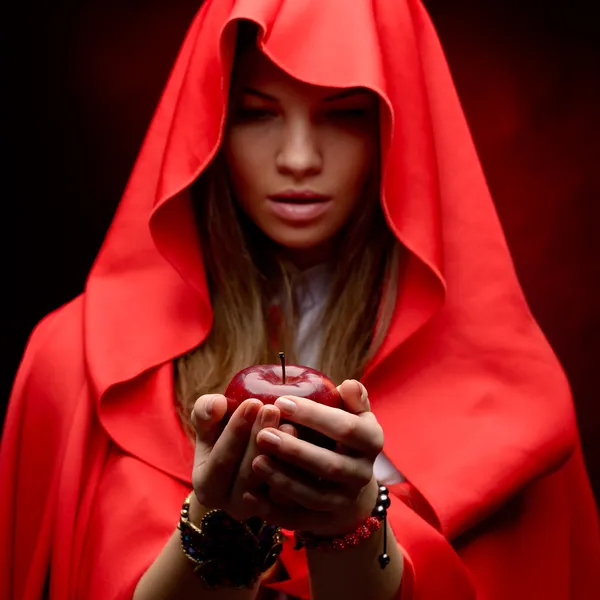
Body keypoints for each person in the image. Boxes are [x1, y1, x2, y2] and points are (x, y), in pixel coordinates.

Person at [1, 0, 599, 598]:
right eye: (257, 113)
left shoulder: (512, 398)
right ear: (206, 123)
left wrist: (355, 524)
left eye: (342, 116)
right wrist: (218, 522)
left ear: (399, 127)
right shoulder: (74, 364)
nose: (298, 159)